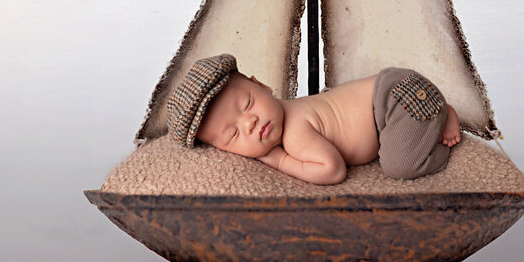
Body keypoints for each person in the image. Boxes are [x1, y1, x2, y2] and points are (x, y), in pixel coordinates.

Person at [166, 54, 460, 184]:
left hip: (398, 97)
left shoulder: (295, 132)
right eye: (233, 135)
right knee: (396, 151)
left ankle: (438, 118)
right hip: (395, 94)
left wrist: (281, 161)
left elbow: (332, 170)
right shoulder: (288, 113)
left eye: (248, 103)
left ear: (262, 85)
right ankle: (433, 114)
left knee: (400, 166)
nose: (250, 123)